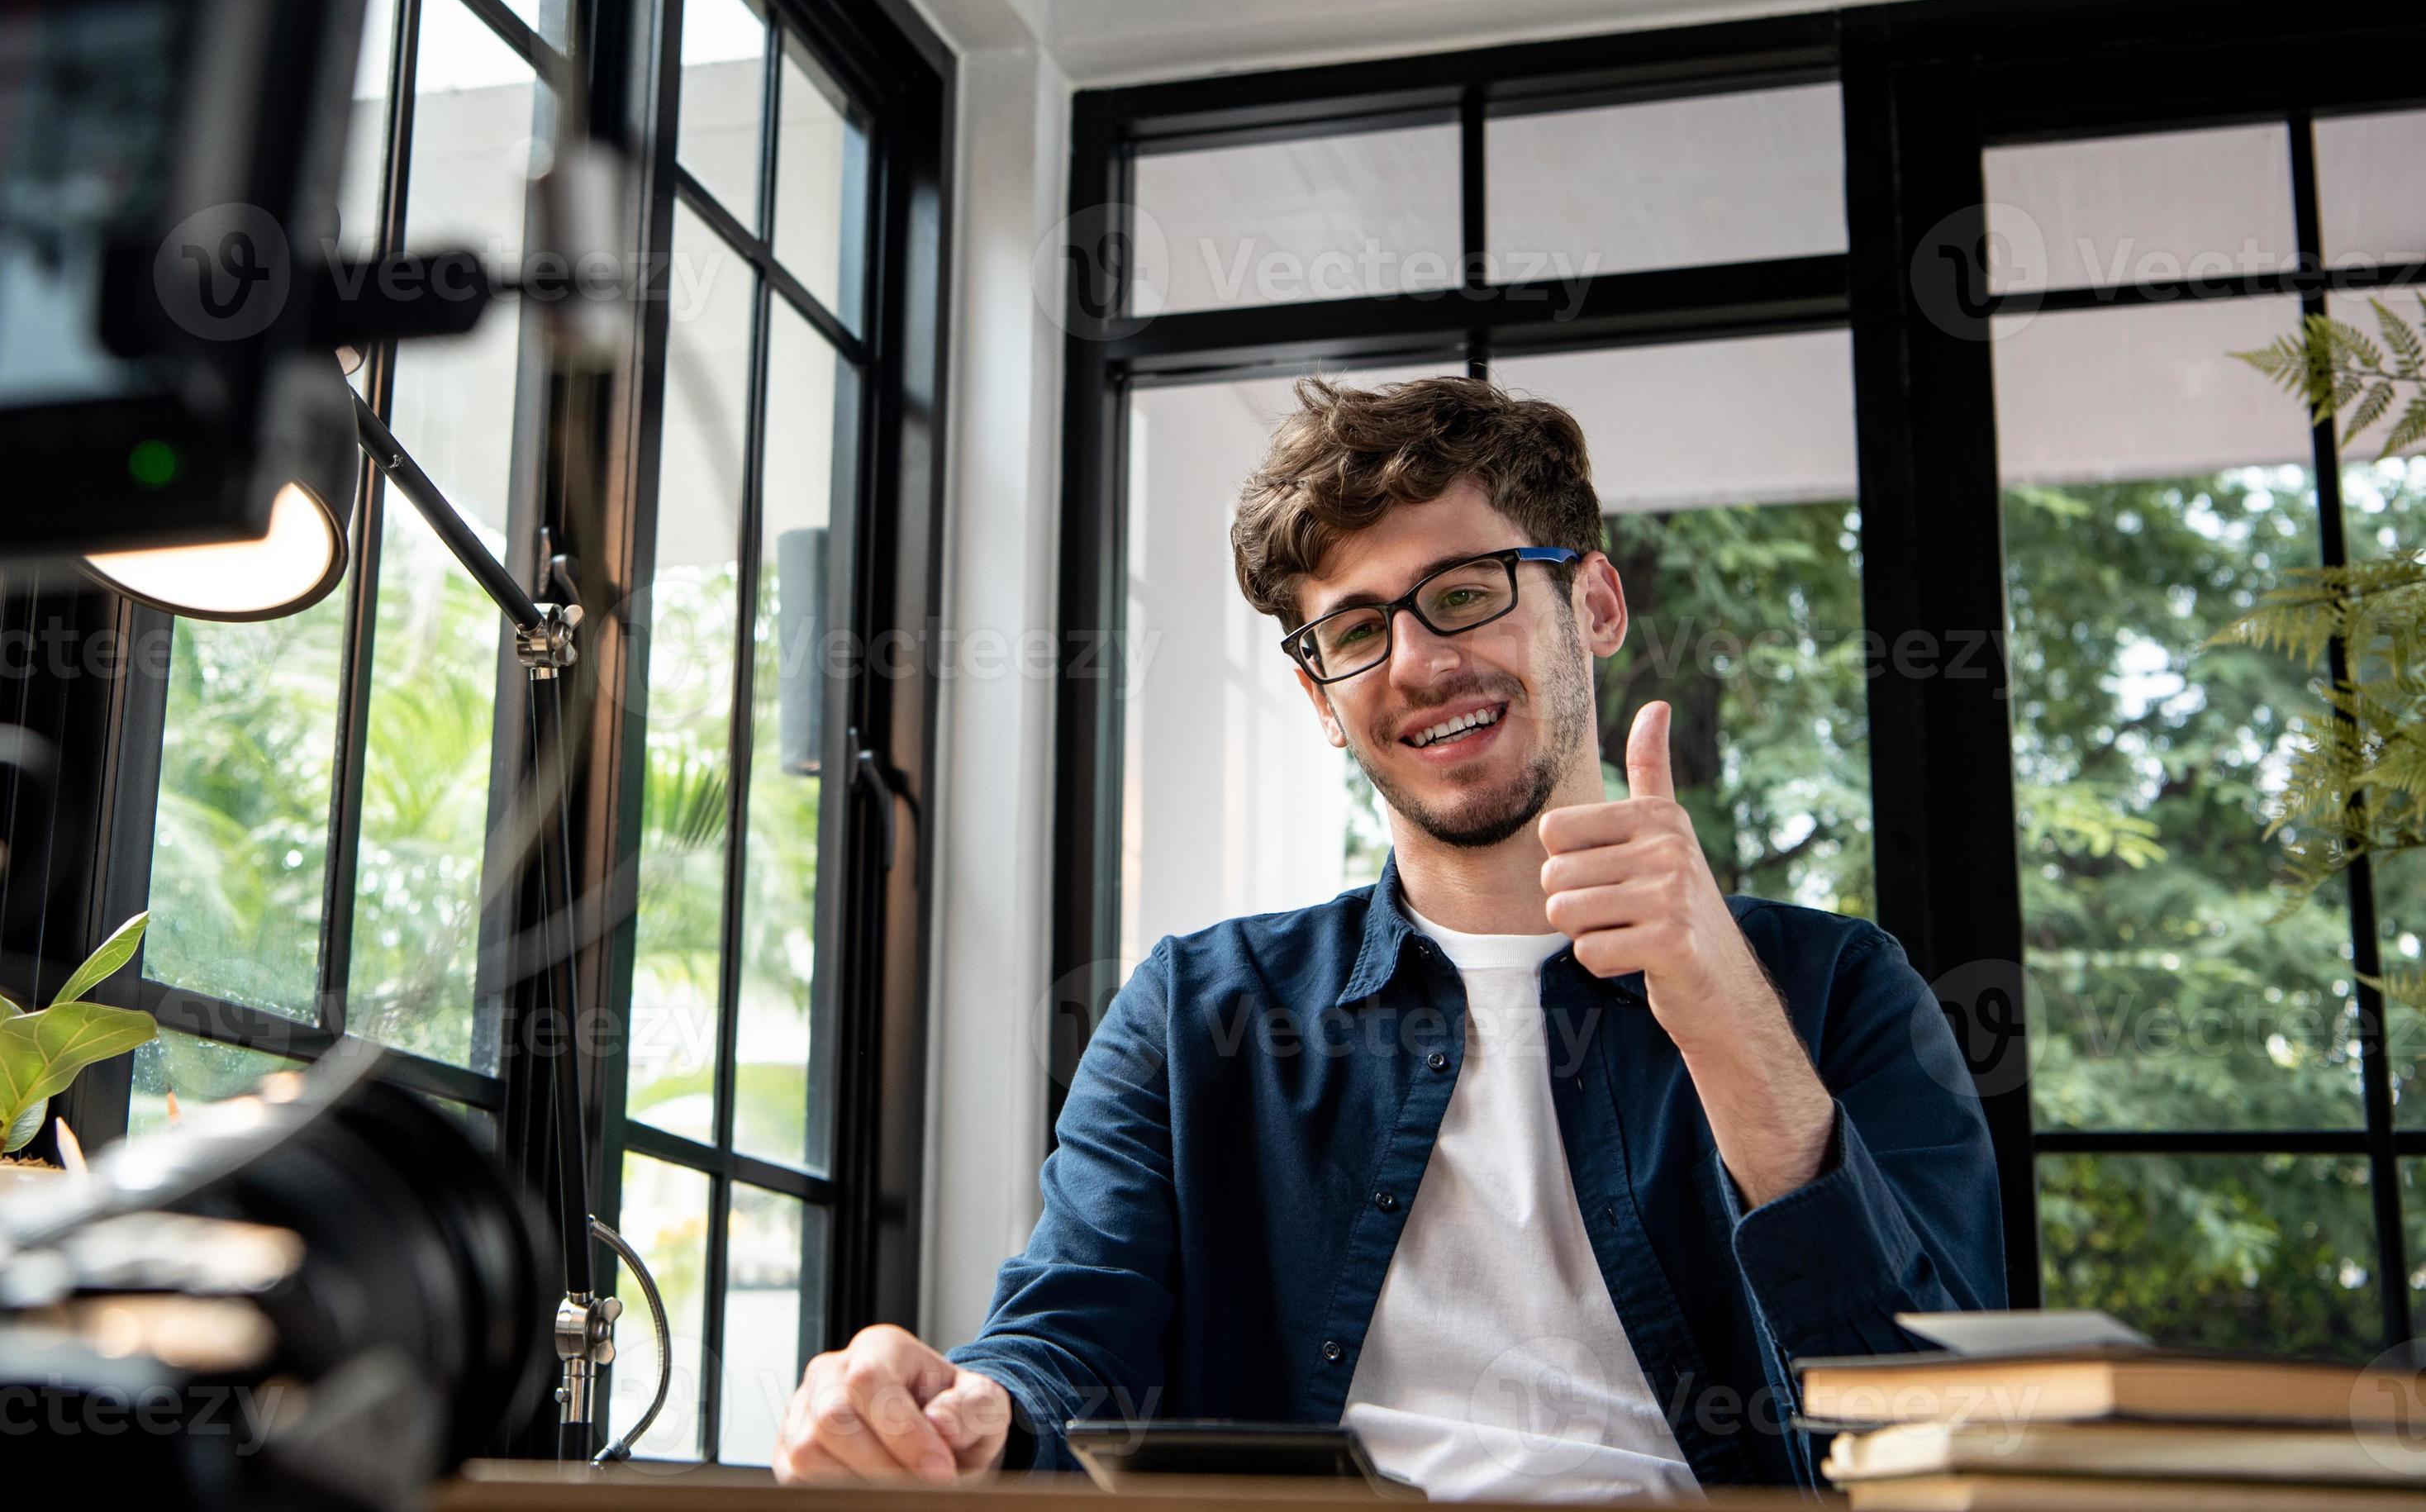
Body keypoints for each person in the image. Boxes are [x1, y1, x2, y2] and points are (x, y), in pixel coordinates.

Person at [773, 375, 2004, 1497]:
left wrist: (1726, 1016)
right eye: (1356, 633)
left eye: (1465, 593)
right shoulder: (1199, 1009)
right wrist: (968, 1411)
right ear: (1318, 695)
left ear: (1596, 602)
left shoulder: (1835, 987)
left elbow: (1937, 1421)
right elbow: (1069, 1341)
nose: (1418, 661)